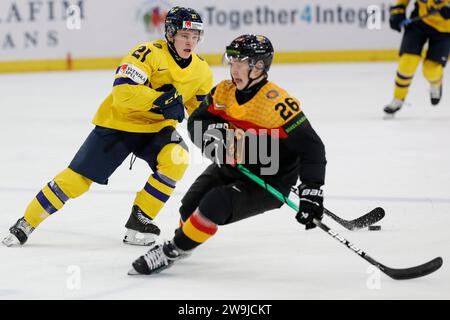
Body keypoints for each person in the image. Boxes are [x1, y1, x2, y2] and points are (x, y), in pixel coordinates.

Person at [2, 6, 213, 247]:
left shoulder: (201, 70)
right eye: (185, 36)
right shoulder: (146, 53)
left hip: (155, 131)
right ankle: (26, 222)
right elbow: (122, 92)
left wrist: (214, 134)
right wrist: (160, 100)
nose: (191, 42)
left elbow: (199, 111)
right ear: (171, 33)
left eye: (195, 37)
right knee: (76, 181)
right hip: (118, 125)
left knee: (176, 158)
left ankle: (139, 220)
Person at [128, 34, 327, 275]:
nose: (234, 69)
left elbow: (312, 148)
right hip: (235, 163)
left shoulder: (277, 104)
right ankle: (189, 238)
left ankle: (172, 251)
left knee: (215, 204)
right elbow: (198, 121)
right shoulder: (223, 92)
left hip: (270, 179)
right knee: (188, 208)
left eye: (241, 63)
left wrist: (312, 193)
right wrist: (213, 144)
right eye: (232, 62)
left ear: (259, 66)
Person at [384, 0, 450, 115]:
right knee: (407, 63)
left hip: (445, 29)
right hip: (420, 20)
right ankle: (398, 98)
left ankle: (436, 84)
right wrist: (398, 11)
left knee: (431, 70)